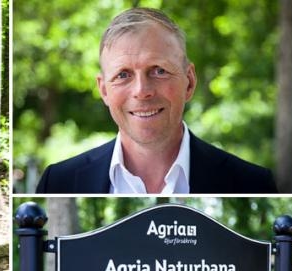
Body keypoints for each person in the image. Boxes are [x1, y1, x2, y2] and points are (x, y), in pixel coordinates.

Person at [35, 7, 278, 194]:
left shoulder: (252, 183)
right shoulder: (58, 182)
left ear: (189, 82)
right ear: (105, 91)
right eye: (123, 75)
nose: (142, 91)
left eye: (159, 70)